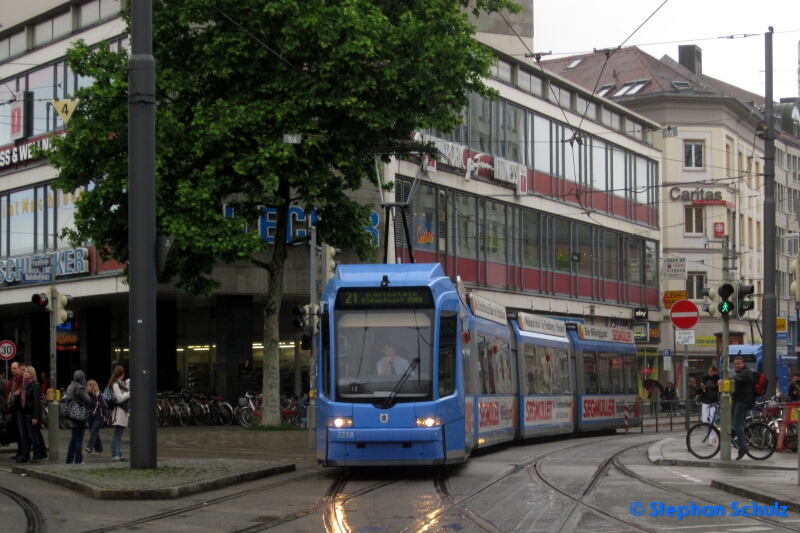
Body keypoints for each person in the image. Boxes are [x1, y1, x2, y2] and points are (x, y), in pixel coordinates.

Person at [719, 355, 755, 460]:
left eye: (738, 363)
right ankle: (733, 433)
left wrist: (726, 379)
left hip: (743, 401)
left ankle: (743, 447)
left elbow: (737, 378)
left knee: (737, 423)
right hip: (738, 400)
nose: (736, 366)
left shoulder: (745, 372)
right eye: (735, 364)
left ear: (743, 364)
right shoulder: (741, 372)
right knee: (728, 416)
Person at [65, 370, 91, 465]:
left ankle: (69, 458)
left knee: (73, 439)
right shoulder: (79, 388)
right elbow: (88, 400)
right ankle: (78, 459)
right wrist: (86, 391)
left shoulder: (70, 387)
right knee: (79, 439)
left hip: (72, 415)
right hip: (79, 416)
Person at [16, 366, 42, 463]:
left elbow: (36, 402)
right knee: (23, 435)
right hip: (21, 411)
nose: (25, 373)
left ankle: (36, 455)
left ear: (31, 374)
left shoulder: (34, 385)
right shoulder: (23, 384)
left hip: (30, 413)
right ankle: (25, 455)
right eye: (24, 371)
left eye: (27, 372)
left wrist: (35, 416)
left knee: (32, 435)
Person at [108, 366, 130, 462]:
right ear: (123, 374)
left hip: (122, 411)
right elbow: (119, 398)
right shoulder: (116, 385)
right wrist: (129, 394)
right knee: (117, 435)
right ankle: (115, 454)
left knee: (119, 435)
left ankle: (119, 453)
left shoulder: (120, 384)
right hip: (119, 412)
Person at [85, 380, 109, 455]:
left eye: (89, 386)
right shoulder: (88, 396)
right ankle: (99, 449)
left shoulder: (99, 396)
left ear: (93, 387)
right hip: (91, 417)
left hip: (99, 417)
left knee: (93, 431)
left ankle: (89, 447)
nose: (87, 387)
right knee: (95, 433)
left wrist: (107, 416)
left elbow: (104, 406)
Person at [699, 365, 720, 445]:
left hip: (714, 401)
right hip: (705, 401)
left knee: (712, 421)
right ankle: (709, 434)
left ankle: (711, 439)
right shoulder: (705, 379)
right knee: (705, 421)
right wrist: (702, 388)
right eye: (709, 371)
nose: (710, 373)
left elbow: (719, 391)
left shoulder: (717, 379)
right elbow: (700, 390)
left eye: (711, 371)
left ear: (715, 371)